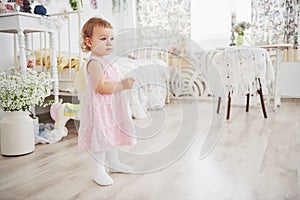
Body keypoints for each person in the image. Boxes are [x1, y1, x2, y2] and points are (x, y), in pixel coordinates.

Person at [78, 17, 136, 186]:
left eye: (112, 38)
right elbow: (101, 87)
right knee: (102, 137)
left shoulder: (107, 60)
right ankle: (98, 170)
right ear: (89, 42)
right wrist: (122, 85)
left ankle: (114, 162)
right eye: (103, 39)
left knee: (110, 134)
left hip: (109, 106)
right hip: (100, 108)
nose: (109, 43)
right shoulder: (94, 63)